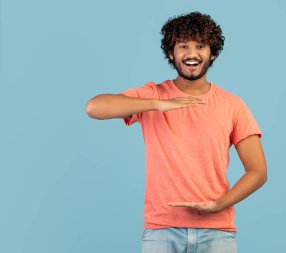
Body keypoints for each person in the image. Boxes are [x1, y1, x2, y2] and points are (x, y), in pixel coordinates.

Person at [85, 11, 267, 253]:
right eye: (183, 46)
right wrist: (158, 104)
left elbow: (258, 171)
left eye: (200, 46)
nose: (192, 53)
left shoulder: (233, 105)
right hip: (161, 230)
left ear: (211, 53)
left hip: (217, 233)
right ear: (171, 53)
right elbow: (94, 107)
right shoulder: (154, 95)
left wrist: (219, 204)